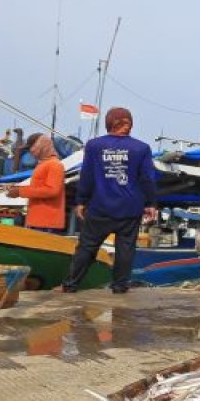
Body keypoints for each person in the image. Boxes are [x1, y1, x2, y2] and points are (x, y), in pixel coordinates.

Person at [60, 107, 157, 293]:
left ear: (109, 123)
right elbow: (147, 178)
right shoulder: (141, 148)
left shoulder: (94, 145)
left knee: (87, 247)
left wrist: (81, 200)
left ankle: (70, 285)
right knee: (125, 249)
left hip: (100, 207)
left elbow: (86, 174)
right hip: (130, 208)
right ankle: (120, 286)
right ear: (129, 123)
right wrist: (151, 203)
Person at [6, 133, 66, 233]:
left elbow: (52, 190)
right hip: (37, 220)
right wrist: (17, 188)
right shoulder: (43, 164)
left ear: (42, 146)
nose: (30, 151)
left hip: (47, 223)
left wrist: (20, 192)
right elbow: (38, 188)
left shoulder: (55, 165)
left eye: (32, 147)